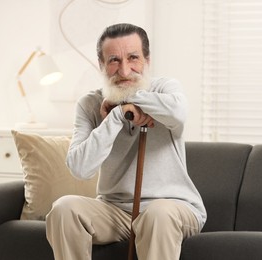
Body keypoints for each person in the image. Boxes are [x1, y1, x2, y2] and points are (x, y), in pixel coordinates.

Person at [46, 23, 207, 260]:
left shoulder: (164, 89)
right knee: (64, 209)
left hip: (173, 208)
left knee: (157, 215)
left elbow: (179, 114)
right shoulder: (89, 104)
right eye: (114, 60)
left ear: (147, 60)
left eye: (133, 58)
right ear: (101, 65)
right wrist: (116, 117)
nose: (124, 70)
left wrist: (129, 97)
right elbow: (80, 168)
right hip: (115, 210)